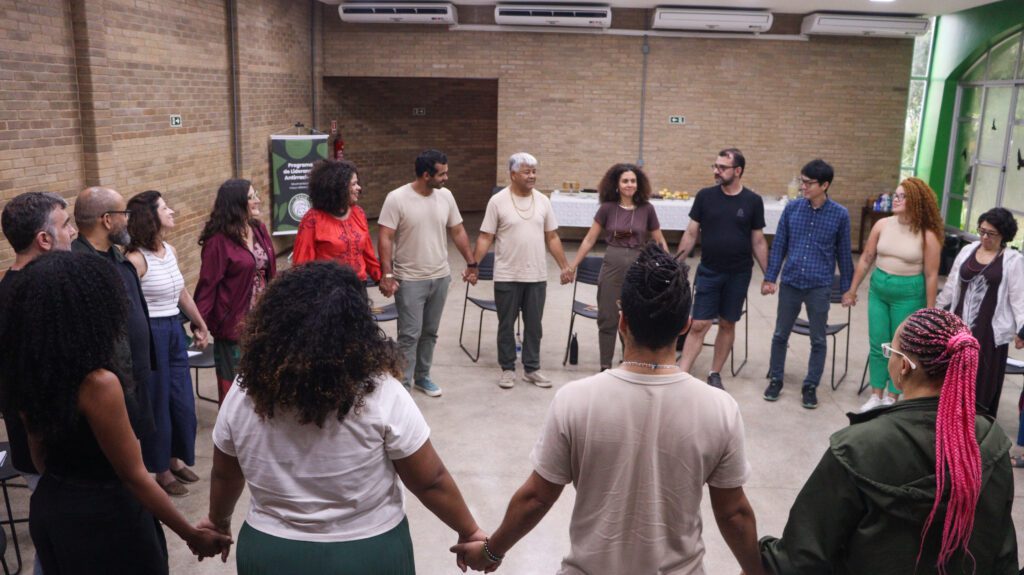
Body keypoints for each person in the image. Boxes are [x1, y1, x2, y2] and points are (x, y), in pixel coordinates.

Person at [451, 245, 762, 574]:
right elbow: (734, 513)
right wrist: (756, 571)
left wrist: (491, 551)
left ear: (623, 320)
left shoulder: (576, 400)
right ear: (685, 325)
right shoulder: (719, 408)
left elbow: (536, 499)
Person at [201, 261, 485, 574]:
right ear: (357, 325)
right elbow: (430, 481)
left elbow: (225, 474)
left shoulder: (245, 393)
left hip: (272, 552)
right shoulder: (380, 392)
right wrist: (469, 531)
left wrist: (218, 523)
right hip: (367, 553)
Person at [0, 251, 231, 573]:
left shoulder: (27, 371)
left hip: (53, 506)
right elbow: (135, 476)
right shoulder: (98, 383)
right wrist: (191, 534)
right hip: (105, 517)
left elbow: (39, 455)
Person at [760, 308, 1018, 574]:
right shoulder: (992, 442)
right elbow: (1003, 551)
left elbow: (802, 557)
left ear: (904, 365)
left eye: (891, 352)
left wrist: (761, 554)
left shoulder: (857, 448)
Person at [0, 192, 76, 575]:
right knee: (61, 541)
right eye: (66, 226)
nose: (73, 233)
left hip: (48, 446)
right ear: (44, 239)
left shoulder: (18, 286)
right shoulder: (30, 296)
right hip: (44, 449)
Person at [126, 190, 209, 497]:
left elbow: (181, 292)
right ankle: (161, 469)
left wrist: (199, 322)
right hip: (151, 335)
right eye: (164, 208)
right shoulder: (134, 260)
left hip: (174, 328)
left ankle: (175, 460)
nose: (172, 211)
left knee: (181, 400)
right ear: (150, 217)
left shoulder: (170, 250)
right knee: (158, 402)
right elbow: (130, 309)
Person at [467, 152, 573, 389]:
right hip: (507, 275)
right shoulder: (498, 201)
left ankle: (532, 369)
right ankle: (507, 368)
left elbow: (552, 236)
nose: (532, 176)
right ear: (513, 174)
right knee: (506, 325)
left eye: (534, 171)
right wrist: (473, 265)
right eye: (527, 171)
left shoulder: (543, 201)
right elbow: (486, 237)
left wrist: (564, 266)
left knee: (534, 325)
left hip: (536, 275)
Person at [377, 150, 476, 397]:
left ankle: (423, 376)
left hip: (440, 277)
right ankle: (403, 386)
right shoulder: (397, 198)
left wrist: (471, 262)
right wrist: (387, 274)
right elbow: (385, 237)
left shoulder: (446, 197)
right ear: (425, 175)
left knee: (430, 332)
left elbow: (458, 230)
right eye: (441, 174)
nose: (446, 178)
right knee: (410, 335)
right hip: (410, 279)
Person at [843, 177, 943, 412]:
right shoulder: (883, 225)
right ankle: (876, 394)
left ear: (916, 201)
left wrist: (929, 312)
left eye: (901, 196)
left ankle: (893, 395)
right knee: (878, 343)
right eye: (895, 195)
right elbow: (867, 257)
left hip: (909, 293)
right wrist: (852, 289)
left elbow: (931, 275)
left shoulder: (928, 235)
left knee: (902, 348)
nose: (895, 199)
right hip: (879, 289)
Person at [760, 159, 854, 409]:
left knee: (818, 339)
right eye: (802, 181)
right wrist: (771, 277)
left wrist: (848, 289)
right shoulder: (792, 210)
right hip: (791, 281)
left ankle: (810, 385)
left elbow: (844, 254)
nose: (803, 187)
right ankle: (776, 379)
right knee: (780, 334)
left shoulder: (840, 215)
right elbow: (779, 244)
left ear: (824, 185)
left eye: (808, 183)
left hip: (819, 286)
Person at [675, 148, 768, 390]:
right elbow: (691, 232)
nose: (716, 171)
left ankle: (714, 373)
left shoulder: (752, 201)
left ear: (738, 171)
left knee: (728, 323)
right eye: (715, 166)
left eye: (722, 167)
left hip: (738, 273)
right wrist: (676, 264)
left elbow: (758, 240)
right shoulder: (705, 196)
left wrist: (769, 275)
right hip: (709, 271)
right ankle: (682, 372)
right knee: (699, 324)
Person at [72, 186, 156, 436]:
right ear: (107, 220)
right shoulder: (79, 269)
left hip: (134, 379)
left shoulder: (118, 259)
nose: (129, 220)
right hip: (111, 388)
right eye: (125, 213)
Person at [568, 162, 668, 371]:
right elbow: (589, 239)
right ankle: (605, 366)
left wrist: (669, 267)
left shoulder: (647, 209)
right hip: (612, 266)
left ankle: (629, 364)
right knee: (608, 317)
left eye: (633, 181)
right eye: (625, 181)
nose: (629, 185)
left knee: (634, 319)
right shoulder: (607, 209)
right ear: (616, 184)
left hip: (639, 269)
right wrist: (572, 266)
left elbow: (659, 240)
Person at [936, 208, 1024, 419]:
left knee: (980, 384)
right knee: (951, 378)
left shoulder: (1012, 260)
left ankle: (974, 429)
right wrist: (936, 311)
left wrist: (1022, 330)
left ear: (1004, 234)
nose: (984, 237)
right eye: (982, 231)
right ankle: (948, 424)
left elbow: (1019, 298)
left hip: (988, 334)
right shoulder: (968, 251)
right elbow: (951, 285)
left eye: (991, 233)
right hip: (958, 329)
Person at [194, 179, 276, 403]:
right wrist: (199, 325)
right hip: (233, 327)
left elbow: (270, 272)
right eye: (251, 197)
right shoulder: (218, 241)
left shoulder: (258, 229)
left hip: (263, 321)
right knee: (235, 393)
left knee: (264, 383)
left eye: (255, 195)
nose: (257, 200)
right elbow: (208, 286)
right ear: (236, 203)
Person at [292, 159, 381, 286]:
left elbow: (367, 252)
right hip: (328, 291)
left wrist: (380, 277)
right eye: (354, 184)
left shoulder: (358, 213)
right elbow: (302, 263)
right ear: (339, 188)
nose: (359, 188)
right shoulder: (313, 219)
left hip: (358, 287)